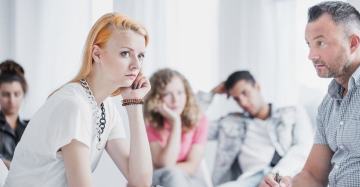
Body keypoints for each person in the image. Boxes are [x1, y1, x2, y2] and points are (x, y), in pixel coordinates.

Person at [4, 13, 153, 187]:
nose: (136, 65)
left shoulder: (106, 107)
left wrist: (134, 104)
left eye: (141, 55)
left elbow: (141, 182)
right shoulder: (74, 105)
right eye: (125, 53)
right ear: (97, 54)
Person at [261, 1, 360, 187]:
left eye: (320, 43)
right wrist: (287, 184)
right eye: (309, 44)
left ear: (353, 43)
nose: (311, 55)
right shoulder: (328, 103)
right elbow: (313, 176)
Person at [197, 70, 313, 187]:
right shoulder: (230, 123)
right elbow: (193, 127)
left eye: (245, 93)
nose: (242, 102)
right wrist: (210, 94)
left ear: (257, 86)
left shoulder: (292, 113)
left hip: (282, 175)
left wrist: (276, 175)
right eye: (236, 99)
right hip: (249, 180)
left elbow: (302, 149)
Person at [144, 68, 209, 187]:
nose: (175, 100)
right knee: (172, 175)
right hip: (159, 179)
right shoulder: (151, 124)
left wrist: (171, 169)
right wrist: (175, 123)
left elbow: (192, 166)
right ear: (156, 98)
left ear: (187, 94)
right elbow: (165, 164)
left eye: (180, 93)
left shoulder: (200, 120)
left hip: (187, 179)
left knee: (174, 175)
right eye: (167, 94)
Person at [0, 60, 29, 169]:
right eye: (6, 94)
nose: (12, 100)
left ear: (23, 94)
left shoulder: (30, 126)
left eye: (16, 94)